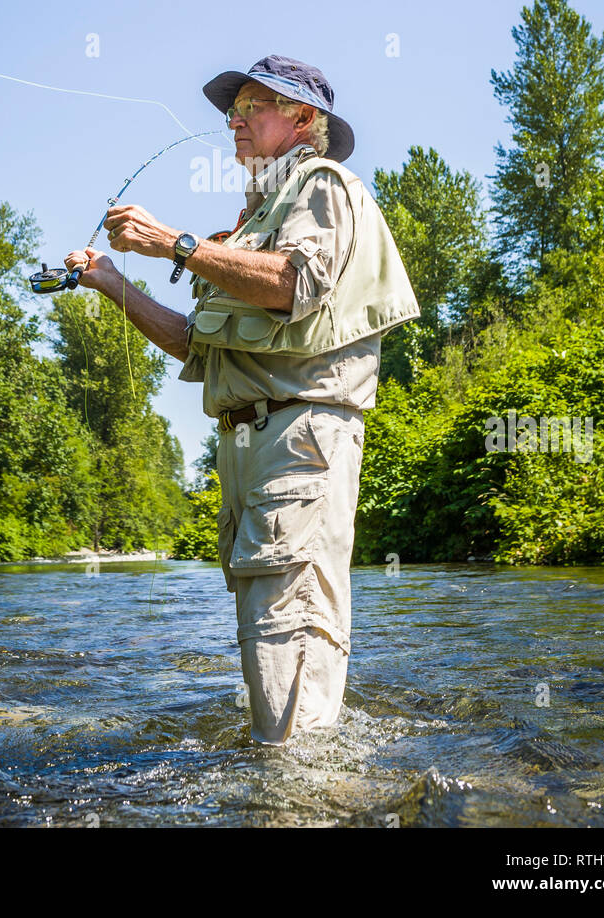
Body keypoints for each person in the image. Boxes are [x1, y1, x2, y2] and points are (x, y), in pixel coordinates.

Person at [65, 54, 419, 745]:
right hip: (251, 446)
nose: (234, 123)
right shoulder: (253, 221)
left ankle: (299, 798)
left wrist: (174, 242)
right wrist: (114, 284)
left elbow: (292, 286)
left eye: (252, 107)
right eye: (232, 111)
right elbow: (198, 345)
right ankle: (291, 779)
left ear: (303, 119)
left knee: (289, 621)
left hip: (301, 436)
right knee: (269, 624)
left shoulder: (323, 184)